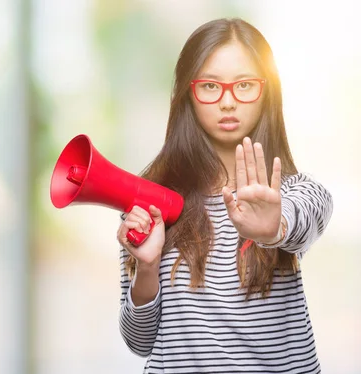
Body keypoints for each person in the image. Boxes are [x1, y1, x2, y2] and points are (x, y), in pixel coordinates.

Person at [116, 18, 333, 374]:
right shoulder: (150, 201)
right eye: (211, 86)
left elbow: (314, 207)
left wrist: (274, 228)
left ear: (267, 92)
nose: (228, 101)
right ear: (188, 92)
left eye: (245, 85)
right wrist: (147, 267)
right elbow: (139, 343)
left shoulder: (291, 193)